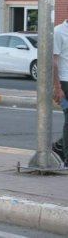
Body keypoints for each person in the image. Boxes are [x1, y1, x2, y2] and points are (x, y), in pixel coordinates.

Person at [52, 18, 68, 166]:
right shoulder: (59, 32)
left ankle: (58, 147)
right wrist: (57, 87)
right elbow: (54, 62)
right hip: (64, 83)